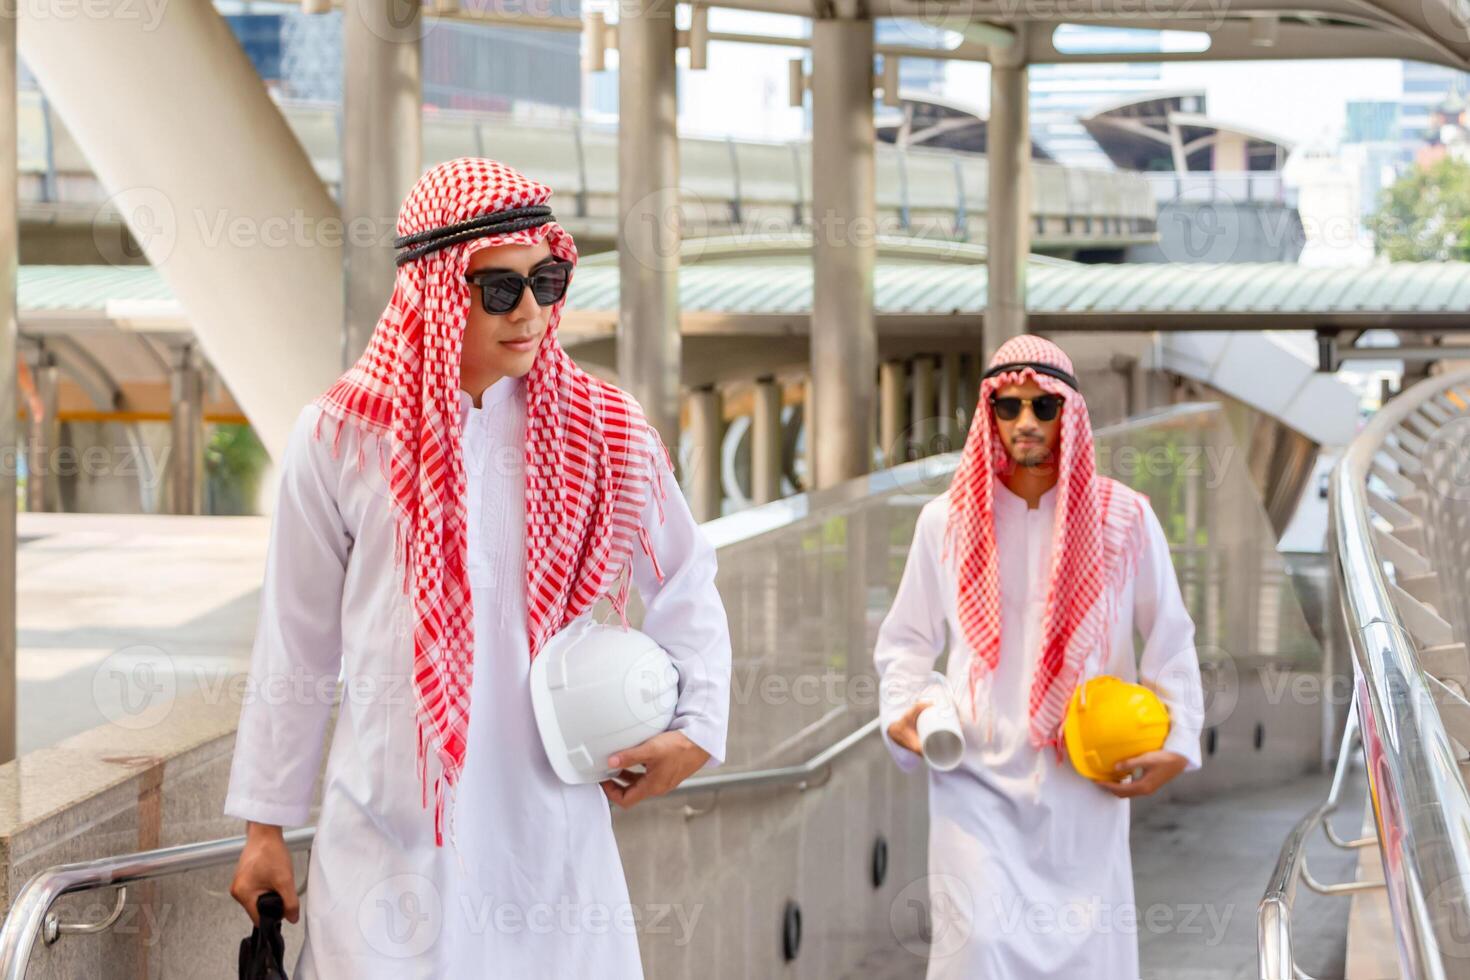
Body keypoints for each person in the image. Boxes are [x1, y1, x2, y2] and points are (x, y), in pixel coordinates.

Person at [223, 157, 732, 978]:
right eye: (500, 290)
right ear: (434, 287)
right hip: (391, 842)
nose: (531, 311)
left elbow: (685, 574)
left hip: (551, 839)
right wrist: (263, 828)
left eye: (549, 280)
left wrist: (697, 730)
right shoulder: (342, 435)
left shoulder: (605, 429)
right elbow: (297, 641)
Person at [873, 334, 1204, 979]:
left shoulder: (1125, 518)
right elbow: (907, 641)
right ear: (989, 414)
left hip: (1083, 778)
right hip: (972, 776)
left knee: (1089, 959)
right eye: (1009, 406)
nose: (1025, 422)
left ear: (1069, 414)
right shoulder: (944, 521)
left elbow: (1170, 638)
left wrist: (1180, 740)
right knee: (978, 952)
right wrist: (902, 712)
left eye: (1043, 407)